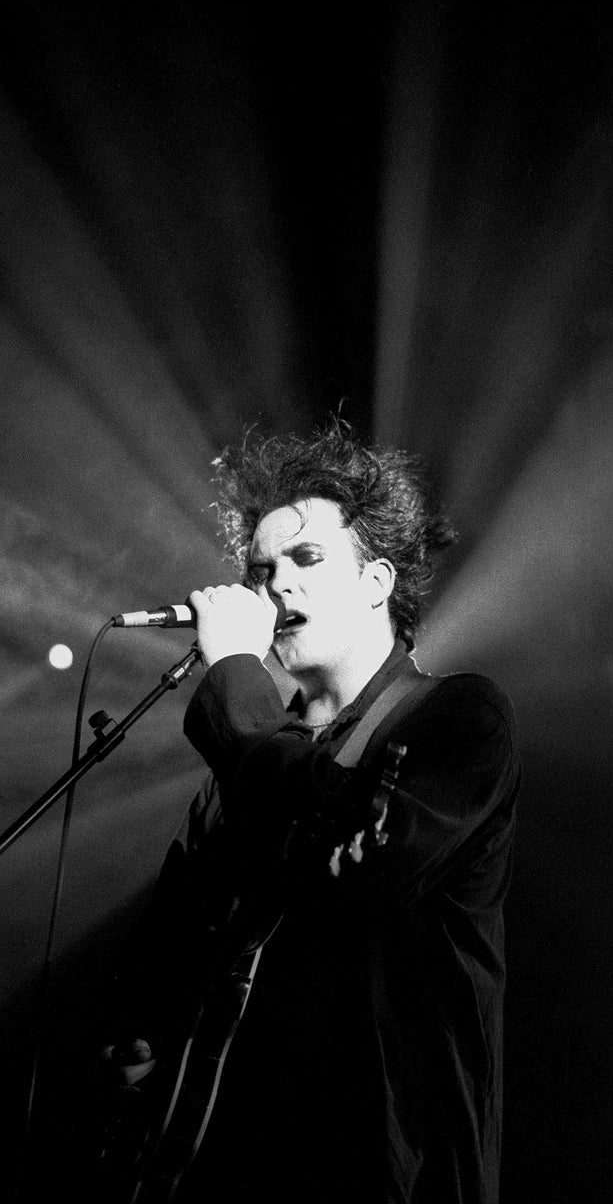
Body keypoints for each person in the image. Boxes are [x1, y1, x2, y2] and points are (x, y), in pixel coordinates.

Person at [98, 414, 520, 1203]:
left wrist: (233, 683)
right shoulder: (248, 764)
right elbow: (179, 931)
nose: (276, 583)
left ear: (377, 583)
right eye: (262, 569)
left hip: (379, 1169)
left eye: (307, 557)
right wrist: (142, 1026)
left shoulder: (458, 721)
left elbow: (354, 870)